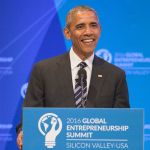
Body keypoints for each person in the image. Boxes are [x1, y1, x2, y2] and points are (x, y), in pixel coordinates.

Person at [17, 5, 130, 149]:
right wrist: (24, 131)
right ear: (67, 33)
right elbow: (30, 115)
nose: (88, 32)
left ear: (100, 31)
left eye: (93, 25)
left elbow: (123, 124)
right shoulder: (43, 70)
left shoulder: (116, 75)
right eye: (80, 26)